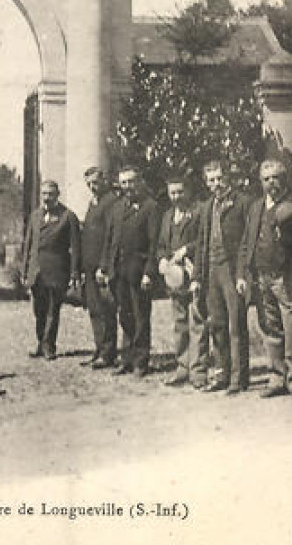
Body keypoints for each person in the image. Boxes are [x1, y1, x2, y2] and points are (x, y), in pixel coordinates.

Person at [237, 159, 292, 399]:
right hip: (261, 276)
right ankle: (276, 377)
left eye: (276, 177)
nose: (272, 183)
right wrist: (243, 273)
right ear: (261, 182)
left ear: (284, 179)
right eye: (266, 179)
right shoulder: (256, 207)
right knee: (271, 327)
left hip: (284, 276)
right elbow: (247, 242)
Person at [195, 160, 252, 395]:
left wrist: (242, 274)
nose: (216, 184)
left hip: (231, 270)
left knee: (236, 324)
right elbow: (201, 243)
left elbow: (247, 242)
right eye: (211, 180)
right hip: (211, 271)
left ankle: (239, 378)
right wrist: (198, 276)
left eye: (219, 178)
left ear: (227, 178)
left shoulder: (242, 203)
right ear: (206, 183)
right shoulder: (207, 206)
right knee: (216, 324)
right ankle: (221, 374)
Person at [101, 167, 161, 379]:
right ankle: (126, 359)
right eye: (124, 183)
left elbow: (154, 244)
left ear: (140, 182)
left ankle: (140, 361)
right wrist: (105, 267)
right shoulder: (117, 208)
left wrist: (149, 272)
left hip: (138, 273)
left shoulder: (150, 207)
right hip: (118, 272)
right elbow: (110, 241)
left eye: (131, 182)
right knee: (124, 316)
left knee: (140, 317)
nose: (128, 187)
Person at [156, 176, 207, 389]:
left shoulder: (199, 211)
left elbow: (204, 239)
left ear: (187, 191)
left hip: (193, 273)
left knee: (197, 322)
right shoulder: (167, 215)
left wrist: (187, 249)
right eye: (172, 193)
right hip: (175, 278)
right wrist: (161, 259)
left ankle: (198, 371)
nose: (176, 197)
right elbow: (161, 243)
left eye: (179, 192)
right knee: (179, 323)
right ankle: (182, 367)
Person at [21, 180, 81, 360]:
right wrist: (25, 271)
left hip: (56, 271)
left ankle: (49, 346)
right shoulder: (35, 216)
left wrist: (74, 273)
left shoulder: (67, 216)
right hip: (36, 271)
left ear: (58, 195)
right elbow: (28, 245)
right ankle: (41, 342)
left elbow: (75, 248)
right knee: (38, 309)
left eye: (51, 194)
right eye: (44, 194)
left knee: (52, 310)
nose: (47, 198)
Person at [79, 166, 118, 369]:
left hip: (102, 266)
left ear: (104, 180)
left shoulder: (110, 201)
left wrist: (104, 266)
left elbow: (111, 236)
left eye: (95, 182)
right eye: (89, 184)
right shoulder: (93, 203)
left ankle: (108, 352)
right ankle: (99, 347)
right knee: (94, 308)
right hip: (89, 264)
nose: (92, 187)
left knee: (106, 309)